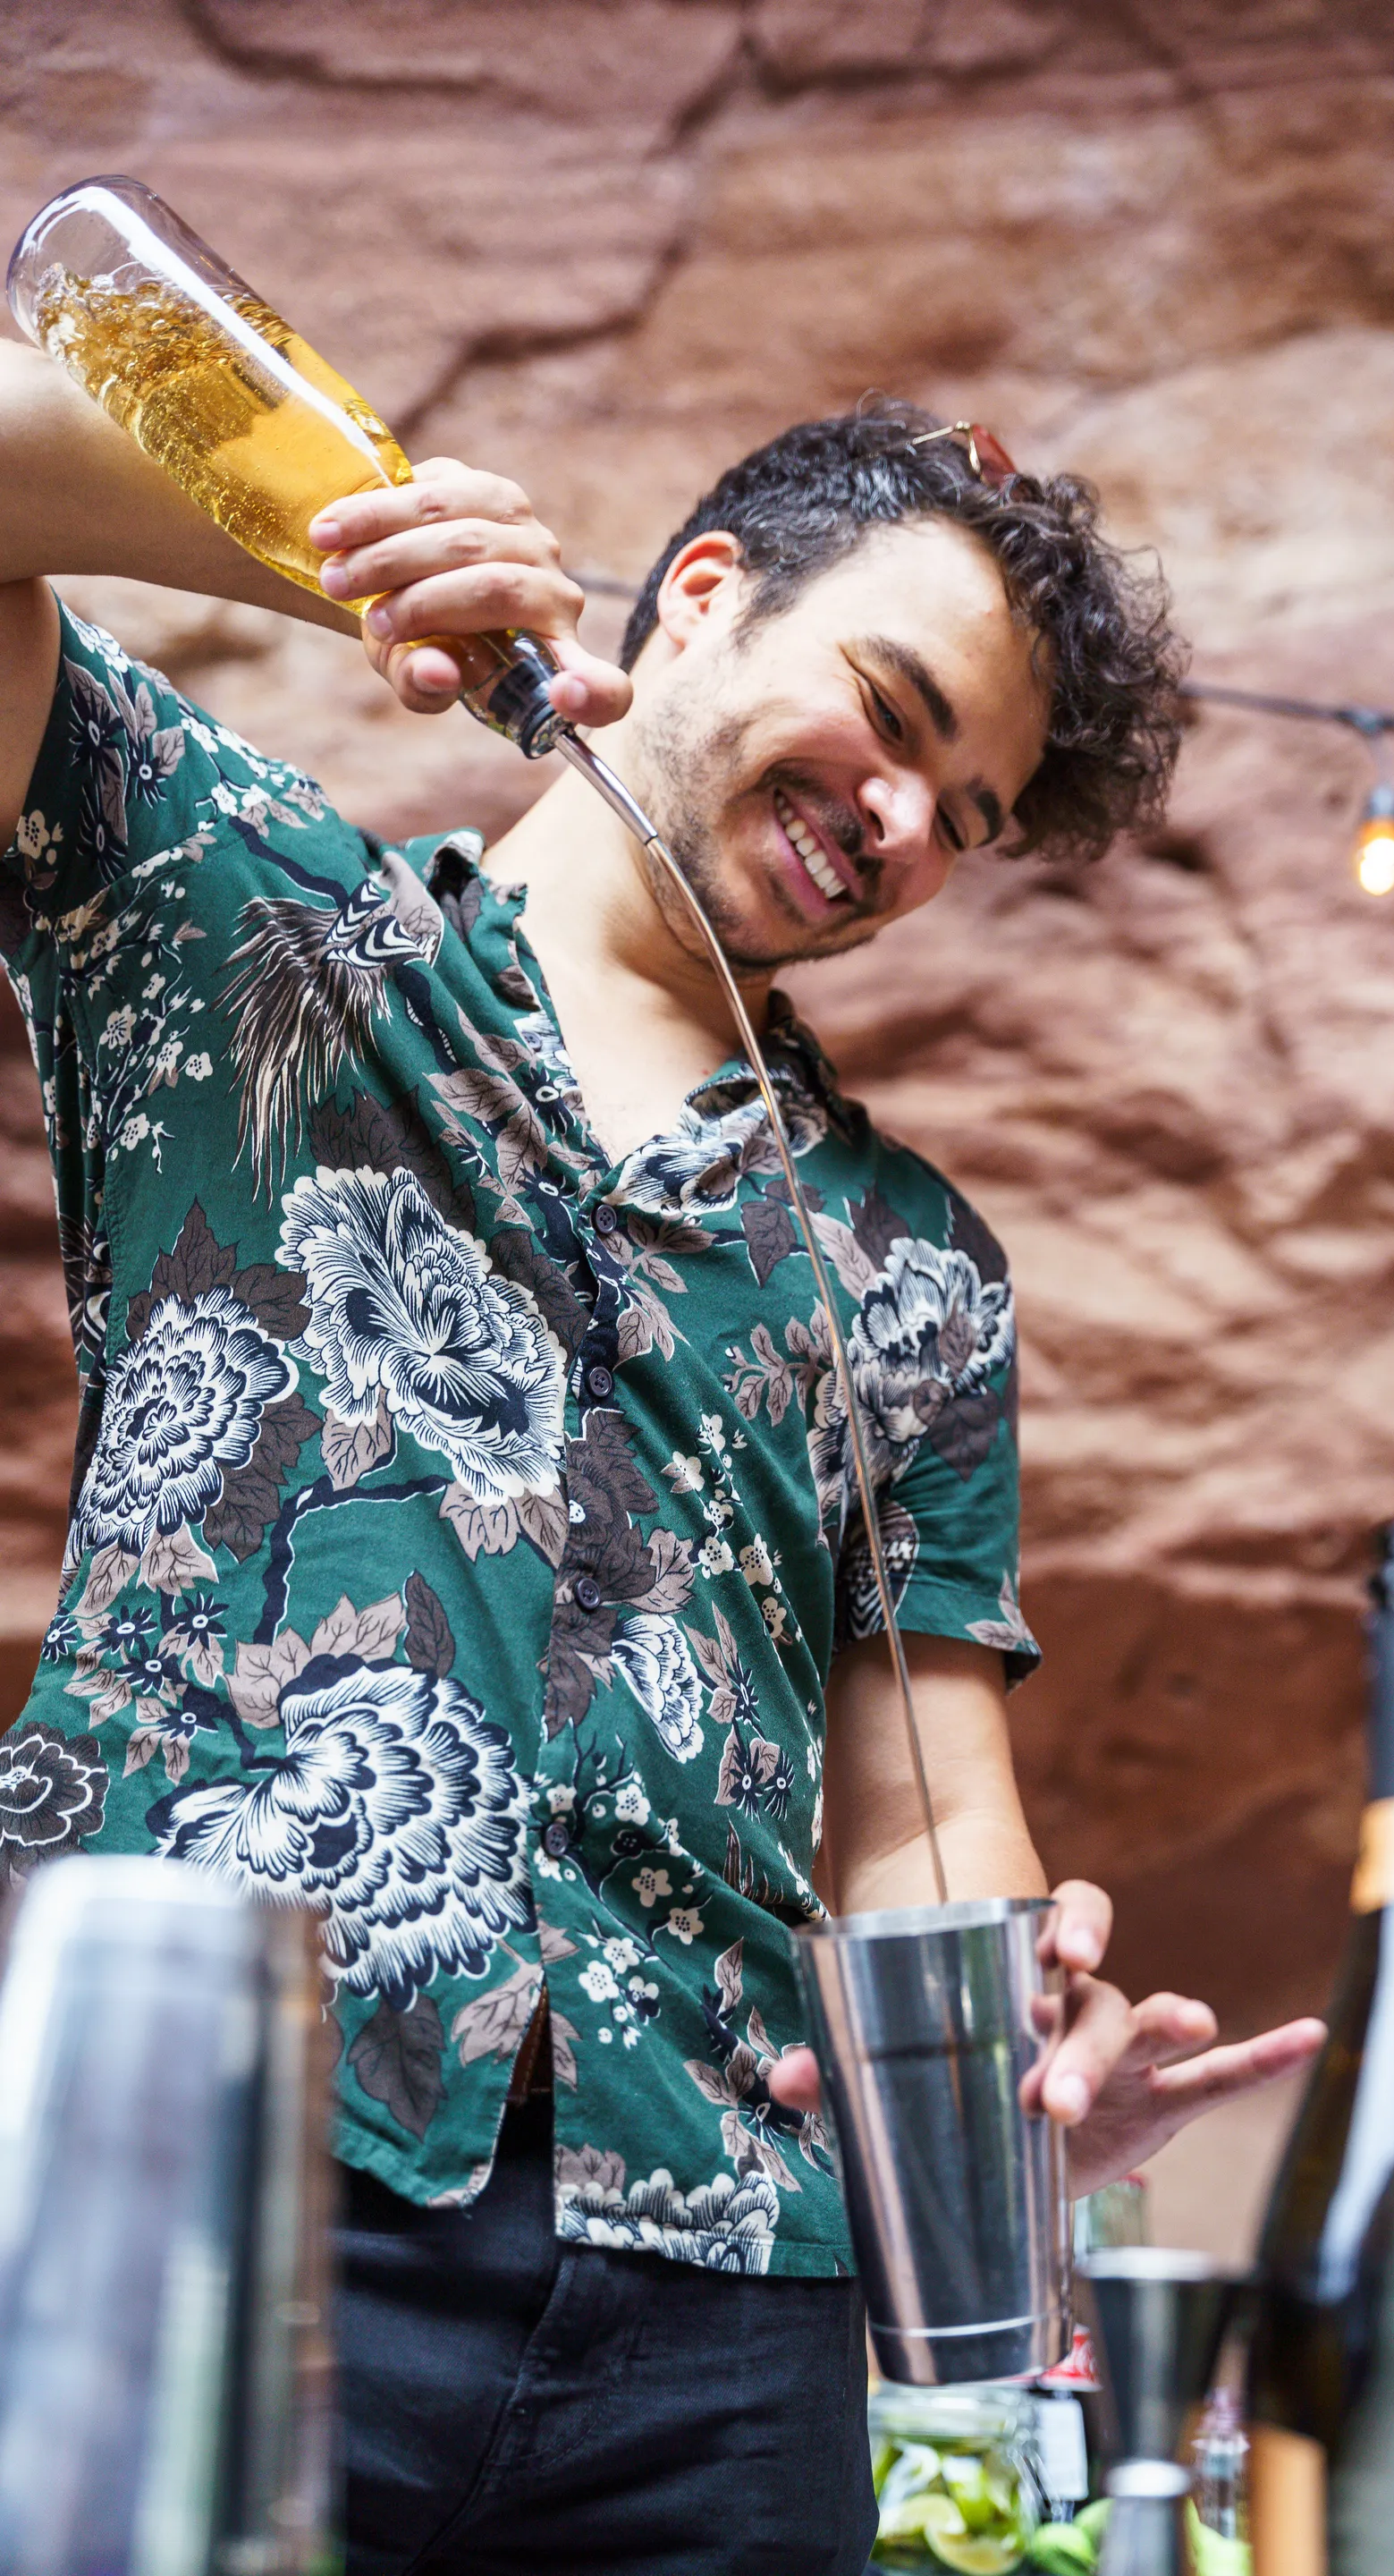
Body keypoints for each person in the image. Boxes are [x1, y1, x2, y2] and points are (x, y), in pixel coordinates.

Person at [0, 354, 1323, 2575]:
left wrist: (1026, 2038)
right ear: (698, 597)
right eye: (893, 715)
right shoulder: (234, 911)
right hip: (194, 2149)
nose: (905, 823)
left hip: (723, 2299)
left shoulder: (917, 1267)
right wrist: (332, 544)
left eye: (964, 814)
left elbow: (921, 1811)